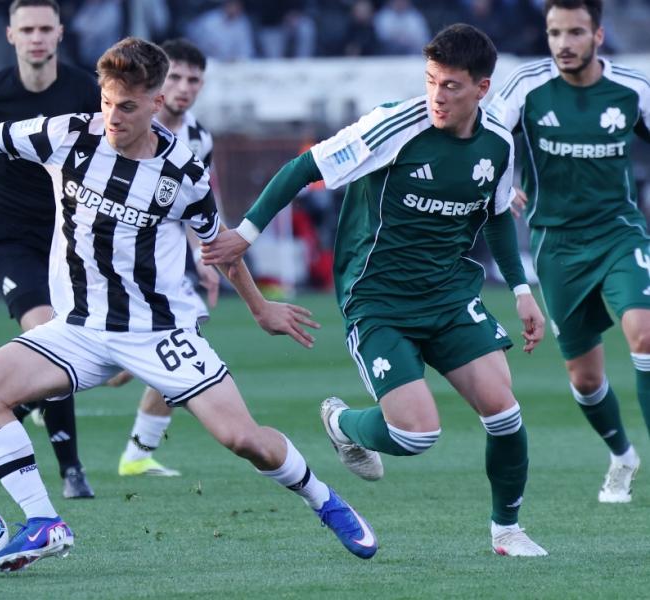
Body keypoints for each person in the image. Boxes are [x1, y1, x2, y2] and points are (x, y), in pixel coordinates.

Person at [0, 36, 377, 572]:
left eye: (127, 107)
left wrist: (260, 308)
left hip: (158, 333)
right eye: (108, 102)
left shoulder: (183, 173)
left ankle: (326, 501)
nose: (113, 117)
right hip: (80, 327)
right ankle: (44, 521)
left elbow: (220, 248)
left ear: (156, 103)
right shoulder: (67, 134)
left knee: (244, 439)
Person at [204, 23, 549, 557]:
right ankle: (342, 423)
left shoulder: (498, 142)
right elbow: (304, 167)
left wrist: (522, 290)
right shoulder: (394, 126)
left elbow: (499, 215)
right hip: (379, 300)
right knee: (416, 435)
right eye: (431, 80)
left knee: (504, 412)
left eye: (451, 85)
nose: (437, 95)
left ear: (482, 88)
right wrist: (246, 234)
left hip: (450, 296)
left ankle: (507, 531)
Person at [0, 0, 100, 499]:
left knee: (88, 355)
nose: (36, 37)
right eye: (27, 29)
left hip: (72, 238)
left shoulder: (88, 92)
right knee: (48, 333)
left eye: (45, 28)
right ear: (10, 35)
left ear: (60, 33)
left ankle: (17, 405)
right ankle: (71, 470)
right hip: (10, 238)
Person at [488, 0, 650, 504]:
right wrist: (501, 181)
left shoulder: (632, 89)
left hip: (620, 233)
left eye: (576, 32)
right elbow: (485, 138)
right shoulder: (527, 86)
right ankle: (622, 455)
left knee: (645, 334)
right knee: (585, 378)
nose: (564, 43)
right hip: (556, 246)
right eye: (555, 32)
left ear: (598, 35)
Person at [116, 37, 220, 478]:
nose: (184, 87)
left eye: (193, 80)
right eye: (175, 77)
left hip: (166, 263)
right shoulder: (126, 120)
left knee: (182, 342)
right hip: (113, 259)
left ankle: (138, 454)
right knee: (115, 361)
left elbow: (196, 207)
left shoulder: (199, 138)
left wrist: (204, 257)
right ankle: (42, 398)